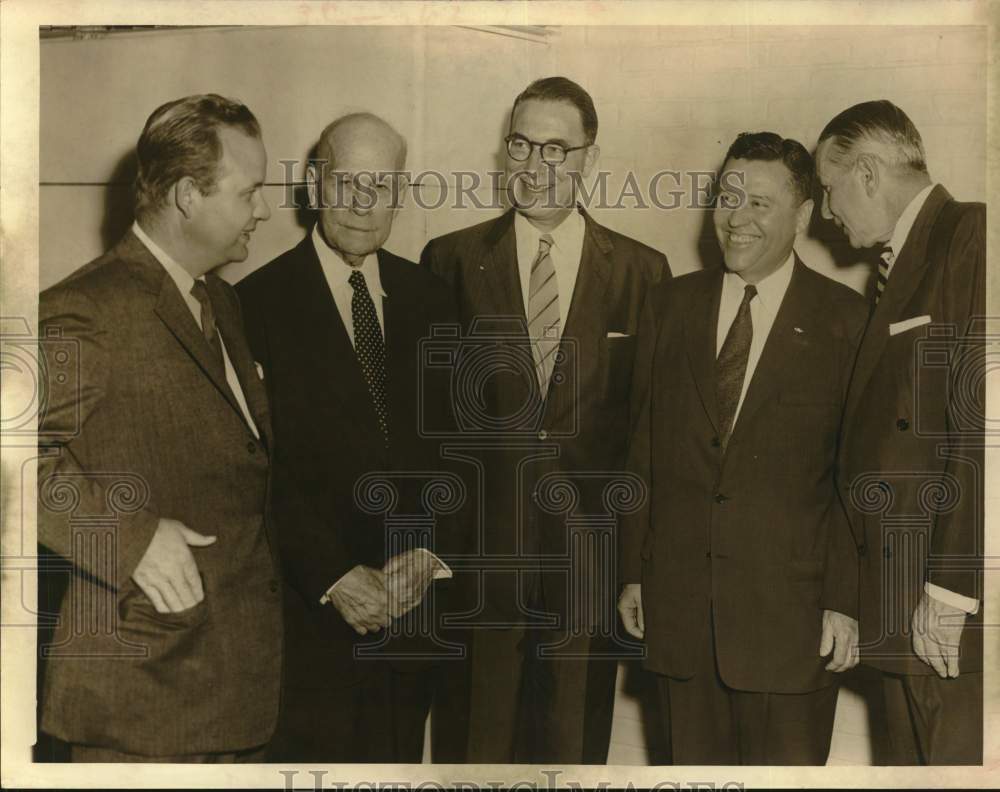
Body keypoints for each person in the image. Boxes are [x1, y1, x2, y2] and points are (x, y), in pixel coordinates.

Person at [421, 76, 669, 764]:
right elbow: (431, 429)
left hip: (588, 563)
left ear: (591, 157)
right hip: (478, 562)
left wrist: (634, 568)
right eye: (522, 145)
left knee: (572, 746)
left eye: (557, 150)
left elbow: (647, 434)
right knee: (474, 747)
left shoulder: (645, 274)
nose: (536, 166)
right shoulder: (449, 261)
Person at [36, 94, 280, 761]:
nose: (262, 209)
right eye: (249, 191)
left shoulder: (220, 299)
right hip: (140, 706)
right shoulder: (85, 309)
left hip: (231, 695)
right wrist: (130, 539)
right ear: (185, 196)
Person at [619, 132, 867, 765]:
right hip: (679, 617)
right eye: (727, 197)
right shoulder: (667, 305)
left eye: (760, 202)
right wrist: (631, 572)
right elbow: (639, 451)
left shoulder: (848, 320)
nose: (737, 217)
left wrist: (845, 599)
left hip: (794, 625)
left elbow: (857, 477)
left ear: (804, 216)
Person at [237, 112, 458, 763]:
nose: (365, 203)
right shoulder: (251, 304)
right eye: (348, 182)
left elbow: (462, 452)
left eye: (382, 185)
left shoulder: (433, 298)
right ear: (313, 183)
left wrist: (428, 554)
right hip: (309, 625)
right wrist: (332, 576)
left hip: (412, 621)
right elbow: (254, 470)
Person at [816, 100, 985, 765]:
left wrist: (948, 590)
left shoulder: (968, 234)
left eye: (830, 192)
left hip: (941, 614)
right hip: (897, 609)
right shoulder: (892, 268)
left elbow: (982, 432)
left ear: (867, 172)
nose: (829, 214)